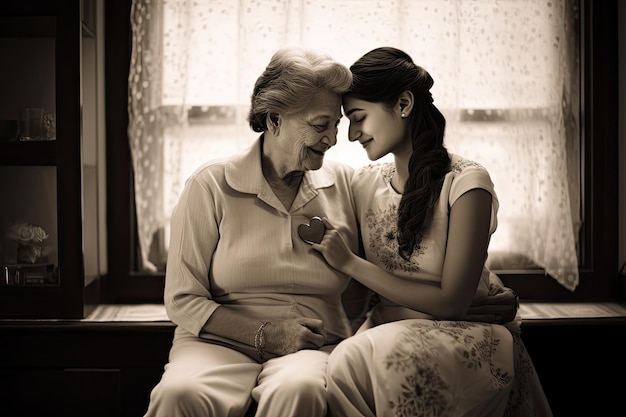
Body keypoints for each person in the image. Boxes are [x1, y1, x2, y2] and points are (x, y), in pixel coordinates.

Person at [312, 47, 552, 417]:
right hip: (386, 334)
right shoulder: (363, 185)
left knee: (358, 358)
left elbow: (454, 304)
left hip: (462, 337)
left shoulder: (467, 183)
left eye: (359, 117)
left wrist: (351, 263)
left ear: (404, 103)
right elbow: (368, 299)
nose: (352, 134)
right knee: (347, 361)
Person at [143, 46, 366, 417]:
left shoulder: (346, 184)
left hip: (311, 348)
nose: (332, 139)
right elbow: (182, 299)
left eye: (336, 126)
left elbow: (373, 276)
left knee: (300, 389)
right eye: (319, 124)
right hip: (217, 343)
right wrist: (266, 333)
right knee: (178, 393)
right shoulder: (210, 184)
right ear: (274, 120)